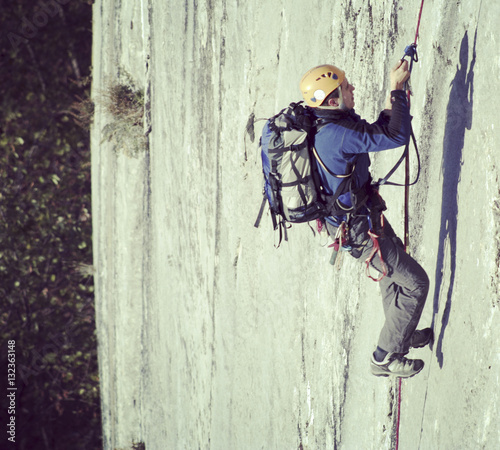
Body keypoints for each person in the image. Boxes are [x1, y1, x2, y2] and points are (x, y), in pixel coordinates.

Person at [299, 61, 432, 378]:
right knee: (415, 284)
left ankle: (401, 331)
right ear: (333, 99)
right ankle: (384, 357)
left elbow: (373, 134)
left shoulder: (328, 126)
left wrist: (391, 102)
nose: (352, 88)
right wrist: (397, 90)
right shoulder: (337, 134)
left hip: (357, 223)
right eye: (346, 86)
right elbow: (396, 136)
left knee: (391, 277)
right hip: (360, 230)